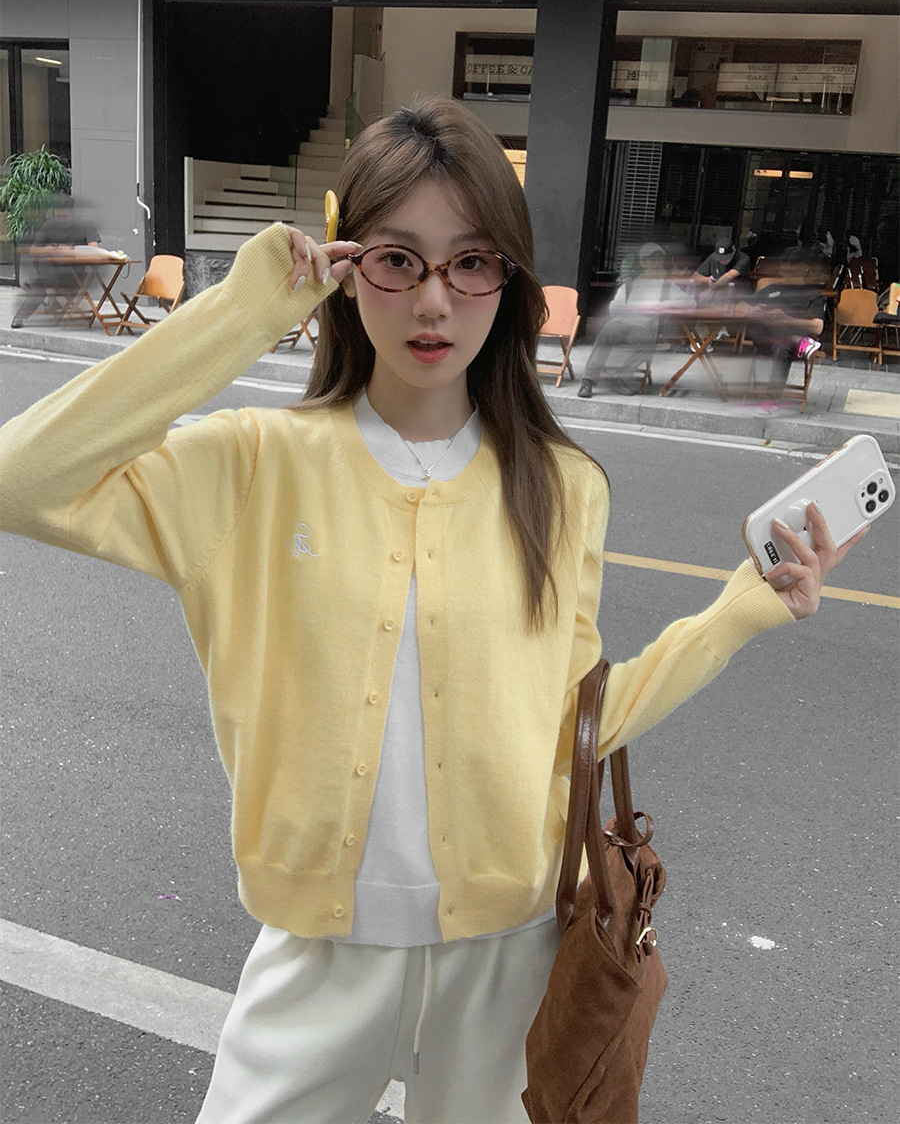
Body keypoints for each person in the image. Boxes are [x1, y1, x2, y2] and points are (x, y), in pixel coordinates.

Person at [0, 99, 862, 1124]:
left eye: (471, 263)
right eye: (398, 260)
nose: (434, 300)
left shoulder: (562, 487)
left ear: (508, 278)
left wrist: (738, 613)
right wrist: (245, 312)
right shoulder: (253, 464)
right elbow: (22, 478)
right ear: (346, 264)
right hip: (319, 957)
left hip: (507, 957)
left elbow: (576, 722)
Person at [577, 242, 688, 397]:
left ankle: (619, 378)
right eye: (650, 259)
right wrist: (638, 308)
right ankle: (588, 380)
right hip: (620, 323)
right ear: (643, 263)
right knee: (607, 332)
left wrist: (662, 305)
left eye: (658, 258)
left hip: (644, 328)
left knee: (648, 342)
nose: (654, 262)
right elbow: (614, 308)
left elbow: (689, 302)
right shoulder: (630, 284)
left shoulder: (667, 287)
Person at [737, 247, 826, 414]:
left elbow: (818, 327)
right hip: (764, 340)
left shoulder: (813, 295)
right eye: (783, 270)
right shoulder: (773, 289)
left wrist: (787, 319)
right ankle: (798, 339)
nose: (785, 275)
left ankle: (771, 401)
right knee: (755, 320)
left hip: (789, 348)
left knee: (781, 345)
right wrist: (756, 310)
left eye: (790, 271)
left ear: (804, 268)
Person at [10, 195, 101, 329]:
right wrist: (52, 249)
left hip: (72, 272)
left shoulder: (84, 224)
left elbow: (94, 249)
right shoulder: (49, 225)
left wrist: (71, 251)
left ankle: (24, 314)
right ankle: (50, 298)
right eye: (58, 216)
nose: (61, 220)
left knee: (42, 279)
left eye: (64, 217)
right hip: (51, 271)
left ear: (72, 212)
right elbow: (33, 251)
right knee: (44, 263)